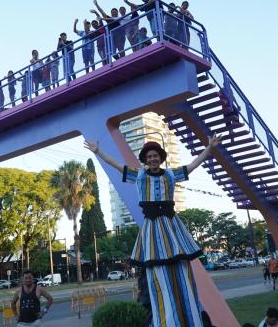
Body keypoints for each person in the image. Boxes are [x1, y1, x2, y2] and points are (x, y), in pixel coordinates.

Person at [85, 134, 222, 326]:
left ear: (161, 157)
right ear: (145, 160)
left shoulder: (171, 175)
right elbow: (116, 164)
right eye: (149, 157)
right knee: (156, 267)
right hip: (152, 226)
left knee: (180, 265)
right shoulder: (139, 175)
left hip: (171, 225)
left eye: (155, 155)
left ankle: (189, 316)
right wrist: (98, 151)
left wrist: (209, 148)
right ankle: (167, 319)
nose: (152, 159)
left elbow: (192, 165)